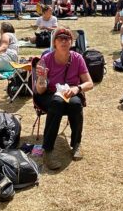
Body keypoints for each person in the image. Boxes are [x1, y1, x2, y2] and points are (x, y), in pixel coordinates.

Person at [34, 28, 94, 170]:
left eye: (67, 39)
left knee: (75, 103)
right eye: (60, 38)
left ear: (71, 42)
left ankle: (76, 143)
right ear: (54, 42)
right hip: (49, 95)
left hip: (70, 93)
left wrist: (77, 89)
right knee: (57, 102)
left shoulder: (77, 58)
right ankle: (47, 150)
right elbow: (40, 90)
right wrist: (42, 78)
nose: (64, 41)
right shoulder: (46, 59)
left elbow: (89, 83)